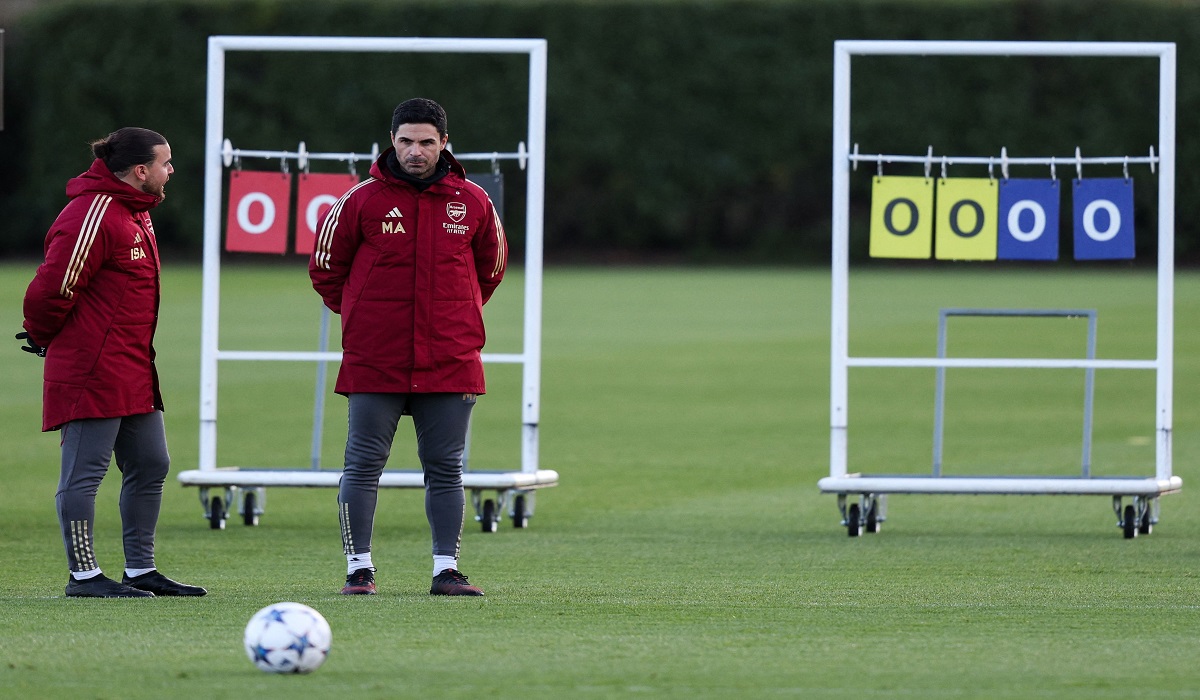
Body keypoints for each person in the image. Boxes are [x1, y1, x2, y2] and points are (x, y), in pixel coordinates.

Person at [310, 98, 507, 597]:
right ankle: (359, 569)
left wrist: (454, 314)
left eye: (425, 142)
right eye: (405, 141)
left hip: (449, 358)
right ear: (391, 140)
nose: (414, 151)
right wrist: (364, 317)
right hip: (375, 359)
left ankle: (446, 570)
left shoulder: (475, 201)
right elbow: (326, 269)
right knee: (363, 465)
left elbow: (491, 269)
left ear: (444, 143)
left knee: (446, 468)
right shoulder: (359, 200)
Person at [19, 127, 206, 599]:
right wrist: (44, 337)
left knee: (151, 462)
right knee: (85, 472)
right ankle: (84, 576)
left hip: (132, 365)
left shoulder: (135, 212)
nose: (171, 170)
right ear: (141, 171)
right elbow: (50, 288)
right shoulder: (95, 213)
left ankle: (140, 570)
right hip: (92, 368)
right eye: (166, 163)